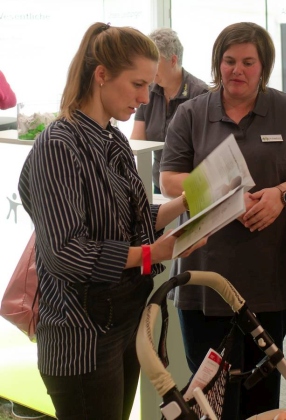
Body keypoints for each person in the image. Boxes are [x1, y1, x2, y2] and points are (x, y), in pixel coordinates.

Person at [17, 22, 206, 420]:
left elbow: (131, 219)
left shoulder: (113, 139)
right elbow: (66, 253)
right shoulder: (58, 145)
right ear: (101, 74)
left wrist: (187, 203)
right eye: (137, 84)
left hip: (123, 320)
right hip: (81, 335)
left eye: (149, 86)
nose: (145, 98)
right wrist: (153, 253)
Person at [160, 22, 286, 419]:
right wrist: (221, 193)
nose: (237, 70)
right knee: (207, 390)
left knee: (262, 384)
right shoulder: (191, 113)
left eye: (248, 62)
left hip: (271, 273)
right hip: (205, 274)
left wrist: (282, 194)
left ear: (263, 67)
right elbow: (169, 180)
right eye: (229, 61)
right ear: (217, 63)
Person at [130, 27, 208, 194]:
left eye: (155, 61)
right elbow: (137, 141)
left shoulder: (200, 93)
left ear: (173, 60)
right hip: (158, 184)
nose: (149, 68)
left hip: (192, 186)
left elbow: (206, 151)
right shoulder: (147, 91)